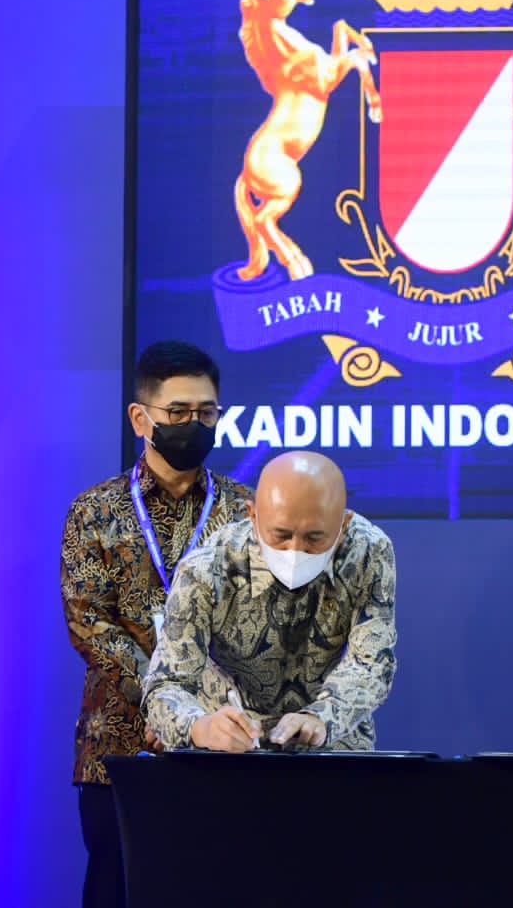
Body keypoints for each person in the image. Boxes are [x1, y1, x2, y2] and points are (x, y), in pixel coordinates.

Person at [61, 341, 250, 908]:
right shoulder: (94, 510)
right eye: (178, 413)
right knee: (119, 887)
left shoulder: (246, 512)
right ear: (141, 418)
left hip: (222, 744)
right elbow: (90, 624)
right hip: (118, 744)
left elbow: (256, 623)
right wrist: (165, 709)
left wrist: (198, 715)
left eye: (206, 413)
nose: (194, 424)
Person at [142, 450, 396, 753]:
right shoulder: (208, 567)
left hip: (331, 744)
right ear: (253, 516)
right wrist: (199, 727)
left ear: (343, 525)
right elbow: (165, 685)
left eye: (315, 538)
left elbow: (370, 664)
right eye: (281, 535)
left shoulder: (368, 551)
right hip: (230, 748)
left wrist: (321, 717)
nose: (295, 550)